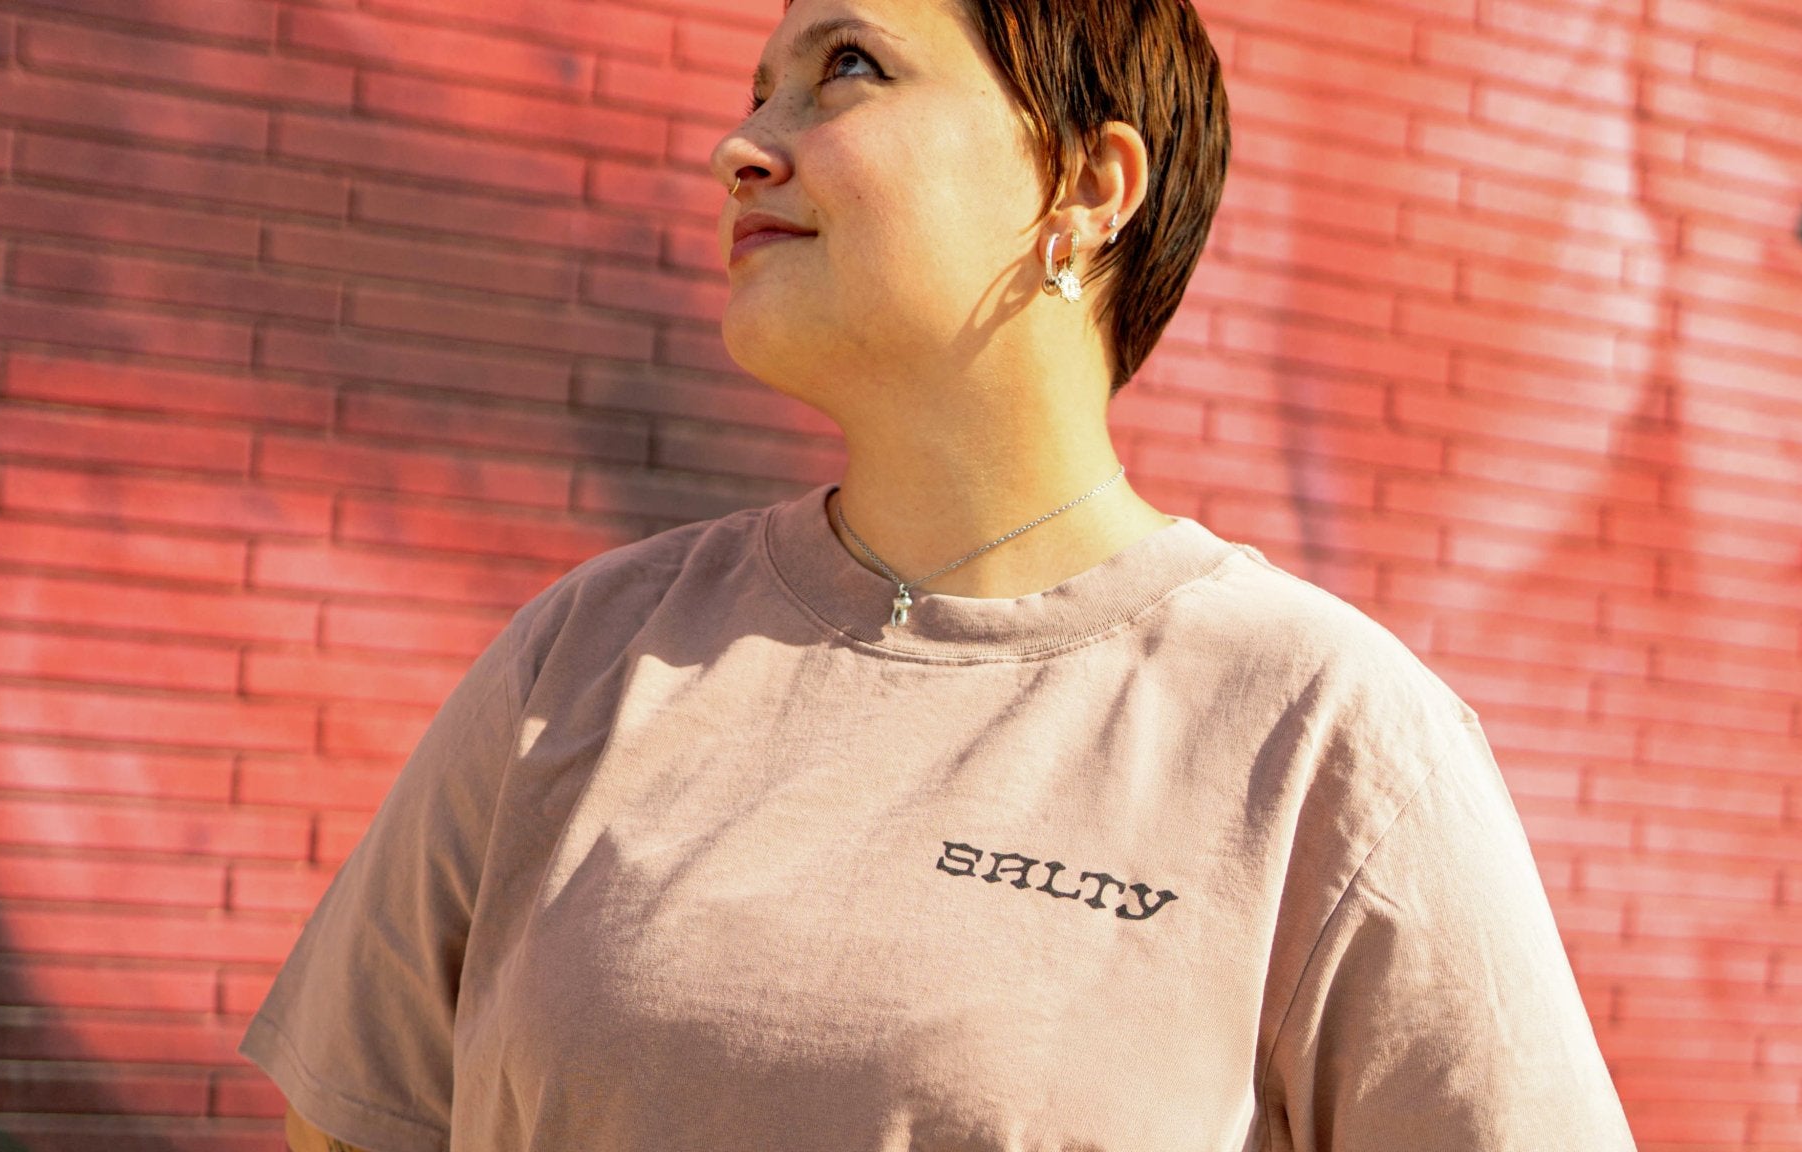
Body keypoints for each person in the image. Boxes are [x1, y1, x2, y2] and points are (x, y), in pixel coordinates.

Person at [237, 0, 1641, 1149]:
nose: (741, 147)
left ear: (1087, 187)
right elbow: (353, 1125)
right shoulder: (588, 654)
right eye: (759, 91)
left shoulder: (1326, 730)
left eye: (847, 68)